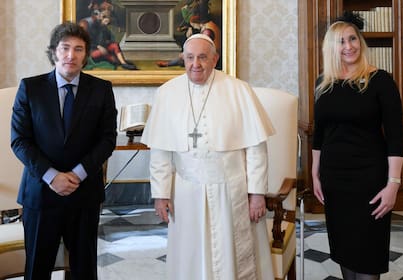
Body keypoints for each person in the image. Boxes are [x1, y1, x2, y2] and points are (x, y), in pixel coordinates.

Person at [141, 33, 275, 279]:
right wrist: (160, 194)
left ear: (215, 59)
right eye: (190, 57)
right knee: (190, 256)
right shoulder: (167, 93)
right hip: (185, 193)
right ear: (183, 58)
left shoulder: (238, 90)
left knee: (232, 256)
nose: (196, 64)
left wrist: (257, 194)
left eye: (203, 57)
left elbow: (256, 148)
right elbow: (160, 151)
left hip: (230, 190)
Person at [11, 21, 117, 279]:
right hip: (40, 194)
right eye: (65, 48)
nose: (71, 55)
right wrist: (52, 176)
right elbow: (20, 141)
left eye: (79, 49)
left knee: (84, 269)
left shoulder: (101, 89)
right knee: (37, 268)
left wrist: (77, 174)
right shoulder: (30, 88)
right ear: (54, 52)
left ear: (86, 55)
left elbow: (107, 140)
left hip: (84, 194)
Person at [311, 11, 403, 280]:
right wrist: (316, 175)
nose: (349, 46)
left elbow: (396, 138)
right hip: (334, 180)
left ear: (360, 42)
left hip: (369, 181)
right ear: (331, 47)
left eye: (353, 39)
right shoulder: (323, 83)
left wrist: (393, 184)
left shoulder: (381, 81)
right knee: (344, 251)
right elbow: (320, 133)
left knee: (367, 257)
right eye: (341, 41)